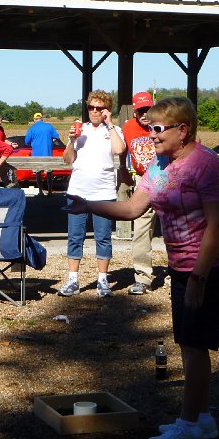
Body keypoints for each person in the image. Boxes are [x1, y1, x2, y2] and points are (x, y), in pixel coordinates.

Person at [68, 97, 219, 439]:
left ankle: (188, 427)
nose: (151, 135)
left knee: (195, 346)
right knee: (188, 343)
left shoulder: (205, 165)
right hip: (182, 265)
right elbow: (133, 208)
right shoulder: (161, 163)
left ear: (184, 129)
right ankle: (202, 419)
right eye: (149, 128)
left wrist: (199, 278)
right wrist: (88, 204)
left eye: (158, 129)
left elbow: (216, 226)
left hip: (213, 266)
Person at [58, 90, 126, 298]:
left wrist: (110, 124)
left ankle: (102, 280)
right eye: (91, 107)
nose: (95, 111)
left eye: (99, 108)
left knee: (103, 237)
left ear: (107, 110)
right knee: (75, 236)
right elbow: (67, 160)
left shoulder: (114, 130)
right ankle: (72, 279)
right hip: (78, 191)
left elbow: (119, 150)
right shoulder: (81, 130)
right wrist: (71, 140)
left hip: (103, 192)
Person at [120, 91, 166, 295]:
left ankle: (179, 273)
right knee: (140, 229)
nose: (145, 114)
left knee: (174, 227)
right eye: (140, 111)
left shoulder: (164, 123)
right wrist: (123, 168)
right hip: (142, 180)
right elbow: (122, 149)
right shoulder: (129, 127)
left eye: (148, 109)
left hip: (166, 177)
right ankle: (142, 277)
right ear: (134, 112)